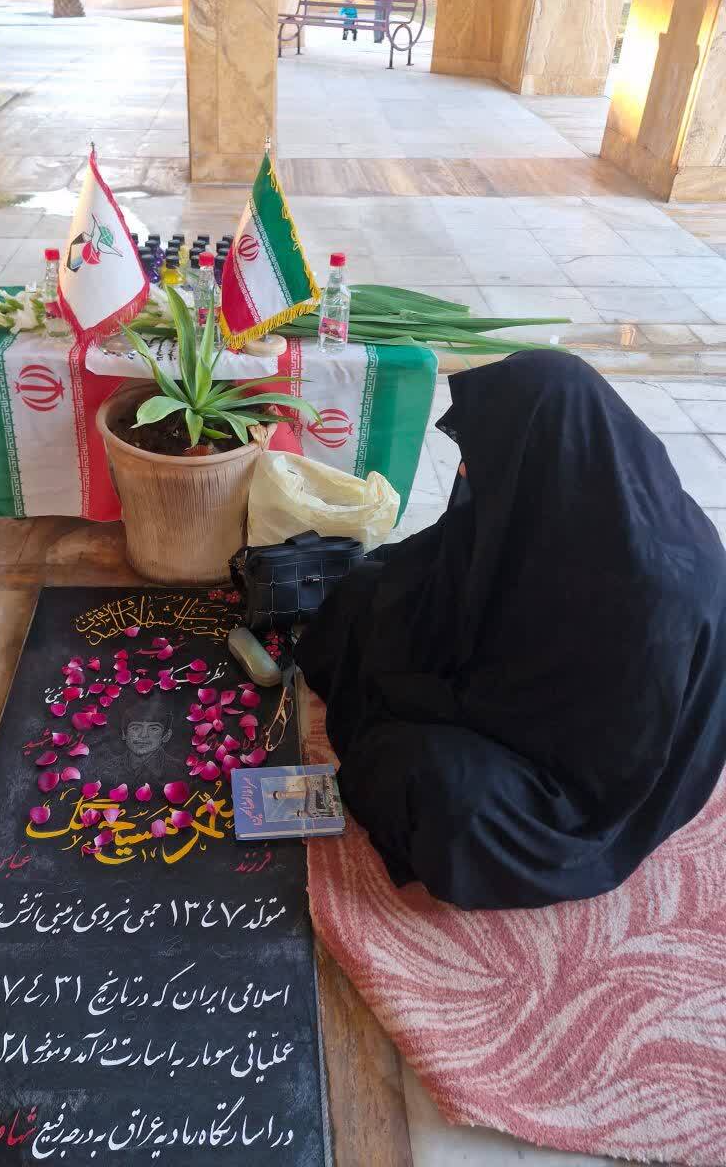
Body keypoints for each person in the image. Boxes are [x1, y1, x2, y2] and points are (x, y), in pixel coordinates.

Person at [295, 351, 726, 911]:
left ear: (533, 452)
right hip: (532, 695)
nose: (468, 471)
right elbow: (451, 564)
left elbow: (593, 748)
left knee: (437, 789)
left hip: (586, 783)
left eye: (484, 454)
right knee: (363, 595)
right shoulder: (571, 491)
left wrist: (421, 690)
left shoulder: (652, 594)